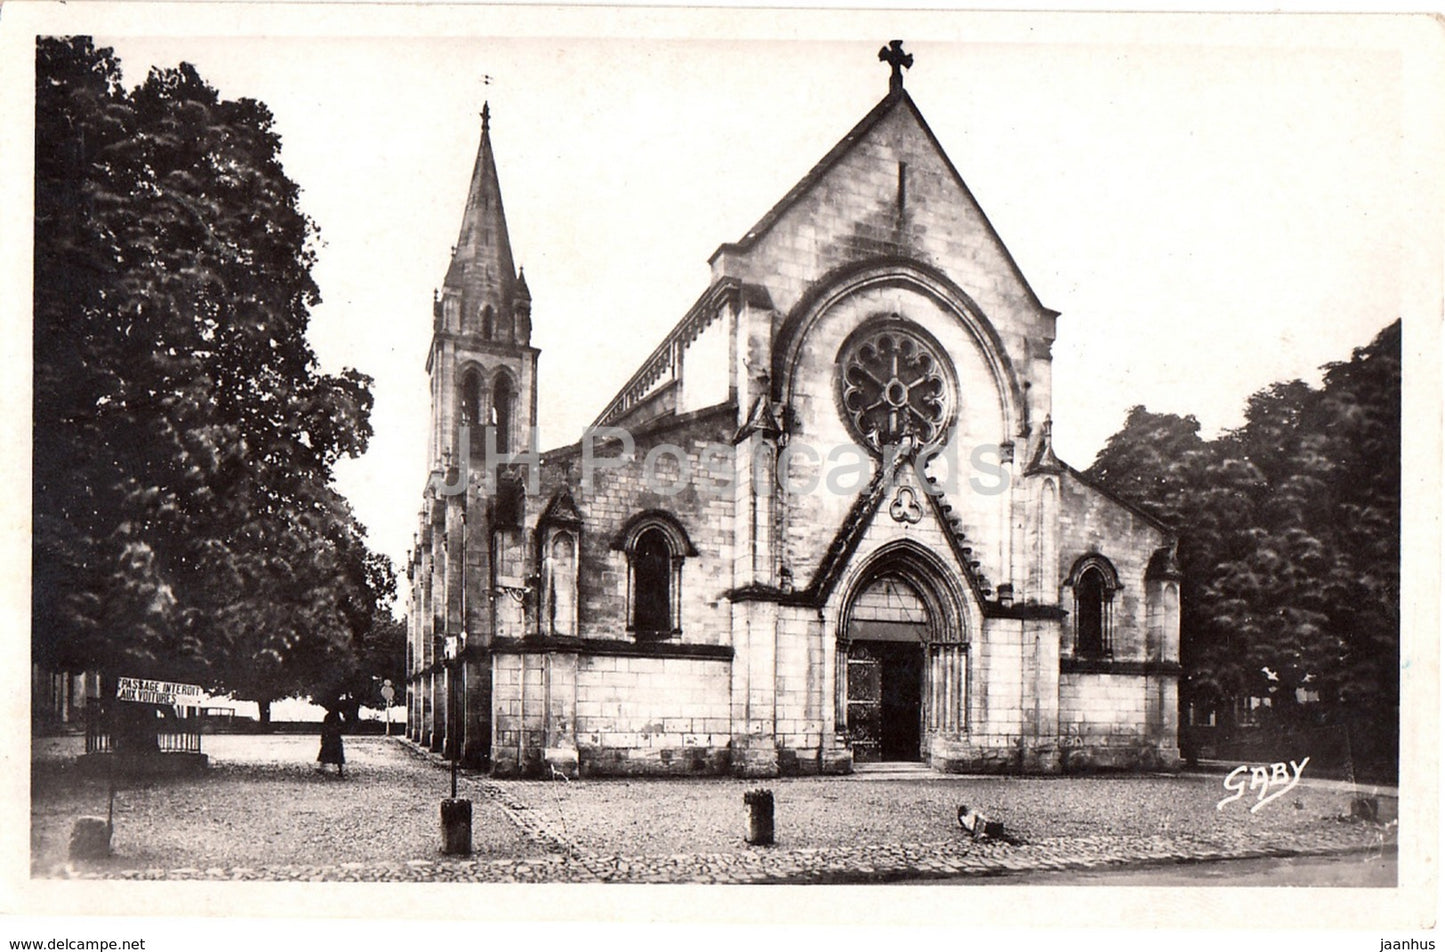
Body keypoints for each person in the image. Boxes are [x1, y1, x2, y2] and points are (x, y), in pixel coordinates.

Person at [317, 710, 345, 777]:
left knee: (326, 752)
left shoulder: (328, 716)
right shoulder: (337, 716)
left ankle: (323, 767)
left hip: (330, 736)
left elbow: (325, 728)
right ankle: (340, 770)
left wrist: (323, 737)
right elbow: (340, 727)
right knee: (337, 754)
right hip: (336, 737)